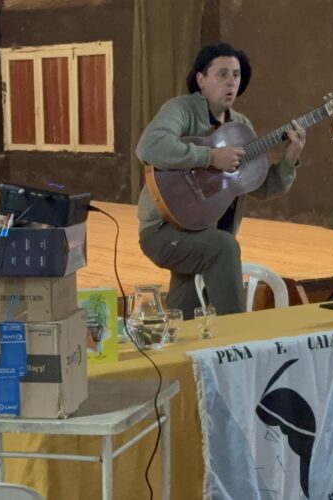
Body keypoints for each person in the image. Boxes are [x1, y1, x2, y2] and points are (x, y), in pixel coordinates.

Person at [136, 43, 306, 318]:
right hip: (163, 229)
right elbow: (149, 147)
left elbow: (261, 187)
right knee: (223, 248)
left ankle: (185, 351)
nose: (231, 82)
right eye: (222, 74)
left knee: (185, 315)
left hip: (203, 227)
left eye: (236, 75)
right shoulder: (181, 109)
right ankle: (236, 339)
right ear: (201, 80)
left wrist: (289, 161)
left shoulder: (241, 126)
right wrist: (210, 157)